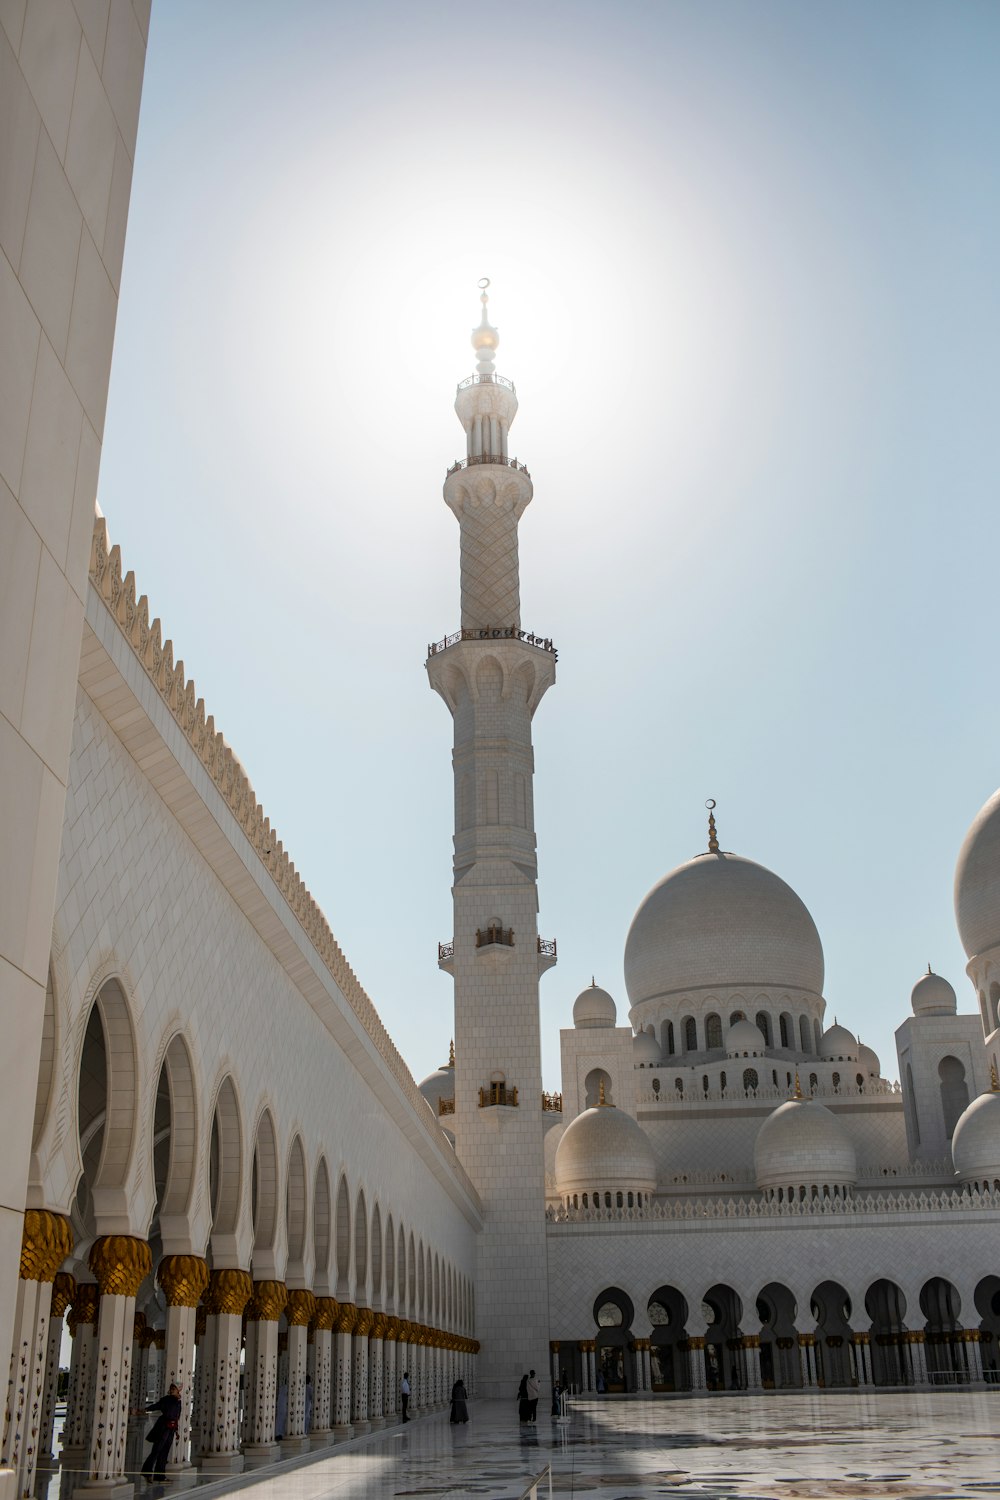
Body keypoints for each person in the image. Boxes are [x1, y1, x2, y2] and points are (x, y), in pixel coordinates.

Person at [141, 1382, 181, 1482]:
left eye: (174, 1388)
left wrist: (176, 1430)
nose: (172, 1390)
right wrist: (146, 1409)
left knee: (164, 1452)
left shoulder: (178, 1401)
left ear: (178, 1390)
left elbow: (176, 1417)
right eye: (171, 1388)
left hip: (171, 1429)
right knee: (156, 1450)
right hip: (163, 1427)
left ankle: (160, 1476)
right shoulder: (166, 1400)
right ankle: (147, 1472)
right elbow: (157, 1406)